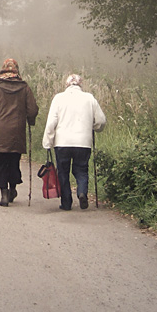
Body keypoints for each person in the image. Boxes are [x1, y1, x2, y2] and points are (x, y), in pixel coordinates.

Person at [0, 58, 40, 207]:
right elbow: (32, 109)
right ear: (16, 69)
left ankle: (4, 193)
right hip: (16, 132)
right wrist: (30, 121)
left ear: (3, 68)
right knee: (13, 162)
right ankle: (13, 189)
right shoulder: (24, 87)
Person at [42, 73, 106, 211]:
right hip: (83, 142)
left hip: (62, 143)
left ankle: (66, 203)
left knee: (63, 172)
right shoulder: (89, 98)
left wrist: (47, 142)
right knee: (81, 169)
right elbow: (101, 121)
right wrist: (94, 127)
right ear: (80, 84)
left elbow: (51, 122)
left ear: (66, 85)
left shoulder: (59, 98)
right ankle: (82, 192)